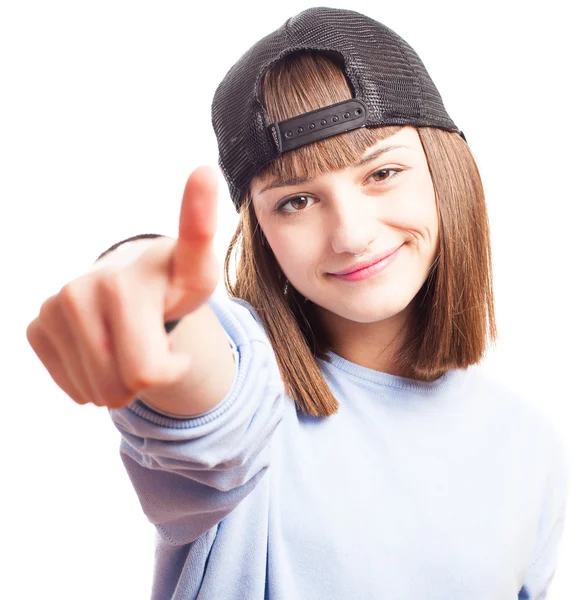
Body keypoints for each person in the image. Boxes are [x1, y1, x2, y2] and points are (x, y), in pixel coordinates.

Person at [26, 7, 568, 600]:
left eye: (382, 172)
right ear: (258, 228)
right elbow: (206, 388)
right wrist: (141, 291)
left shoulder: (529, 444)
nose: (352, 234)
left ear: (446, 169)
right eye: (296, 202)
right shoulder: (253, 390)